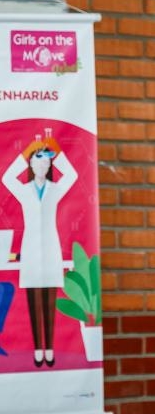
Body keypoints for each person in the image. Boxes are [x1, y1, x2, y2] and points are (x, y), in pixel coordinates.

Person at [2, 133, 78, 367]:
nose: (42, 166)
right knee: (34, 301)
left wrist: (56, 149)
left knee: (49, 302)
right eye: (37, 162)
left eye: (46, 162)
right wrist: (27, 151)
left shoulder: (56, 189)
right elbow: (6, 177)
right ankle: (38, 348)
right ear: (31, 166)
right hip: (31, 249)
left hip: (51, 248)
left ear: (50, 166)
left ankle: (50, 348)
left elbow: (72, 175)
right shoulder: (24, 190)